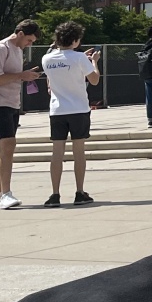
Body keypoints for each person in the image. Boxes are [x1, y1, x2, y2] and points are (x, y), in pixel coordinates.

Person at [0, 18, 40, 210]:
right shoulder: (0, 48)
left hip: (10, 103)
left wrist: (25, 75)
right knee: (8, 145)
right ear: (20, 33)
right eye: (29, 41)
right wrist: (20, 76)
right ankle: (5, 194)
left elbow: (10, 76)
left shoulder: (17, 49)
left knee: (1, 148)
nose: (29, 45)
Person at [41, 21, 99, 206]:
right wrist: (94, 62)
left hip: (57, 109)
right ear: (75, 40)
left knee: (57, 152)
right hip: (79, 108)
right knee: (78, 151)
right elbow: (94, 80)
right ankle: (79, 191)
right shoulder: (80, 58)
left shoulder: (46, 59)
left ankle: (55, 193)